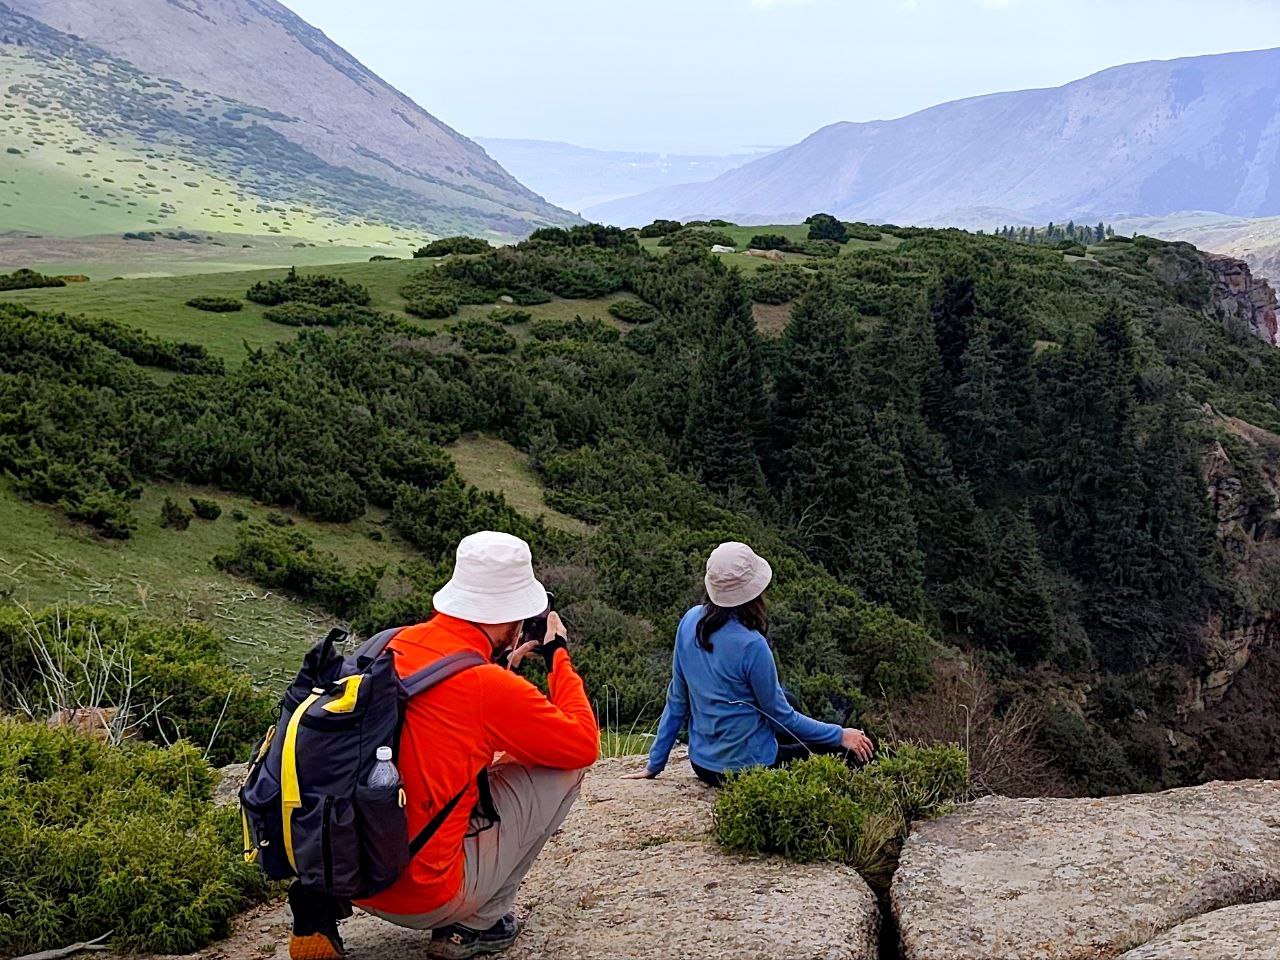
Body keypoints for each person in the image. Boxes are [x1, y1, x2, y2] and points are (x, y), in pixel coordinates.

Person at [290, 531, 599, 960]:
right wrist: (557, 657)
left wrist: (498, 667)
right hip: (424, 897)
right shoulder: (487, 686)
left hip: (347, 870)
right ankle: (478, 924)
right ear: (514, 616)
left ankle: (317, 907)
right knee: (564, 768)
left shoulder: (388, 644)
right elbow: (581, 743)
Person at [625, 541, 874, 787]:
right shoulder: (752, 645)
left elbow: (678, 700)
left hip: (702, 765)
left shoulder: (690, 621)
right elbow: (781, 716)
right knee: (843, 750)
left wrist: (655, 763)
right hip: (749, 767)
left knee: (789, 699)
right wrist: (840, 734)